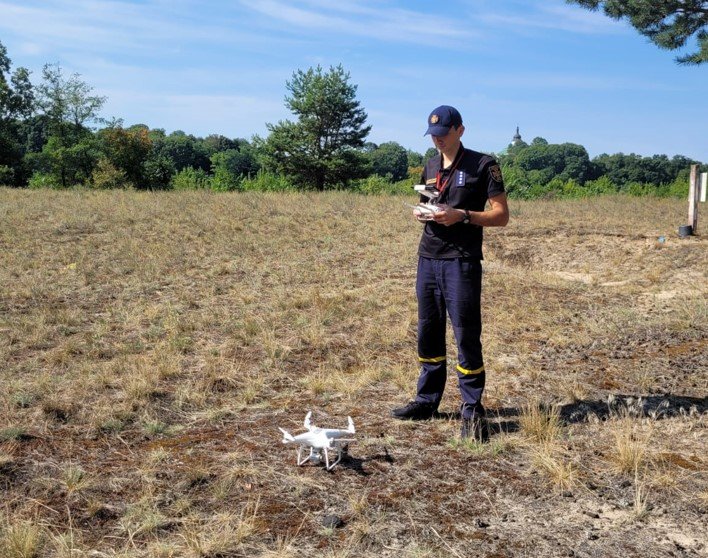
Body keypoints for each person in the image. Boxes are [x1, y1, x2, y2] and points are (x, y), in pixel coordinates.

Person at [391, 105, 509, 441]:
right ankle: (427, 400)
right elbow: (427, 199)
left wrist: (462, 216)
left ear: (460, 130)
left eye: (443, 133)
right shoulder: (430, 165)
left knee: (465, 333)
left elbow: (501, 215)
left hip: (461, 260)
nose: (438, 140)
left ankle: (472, 409)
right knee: (428, 329)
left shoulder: (483, 165)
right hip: (428, 257)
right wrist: (422, 213)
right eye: (433, 135)